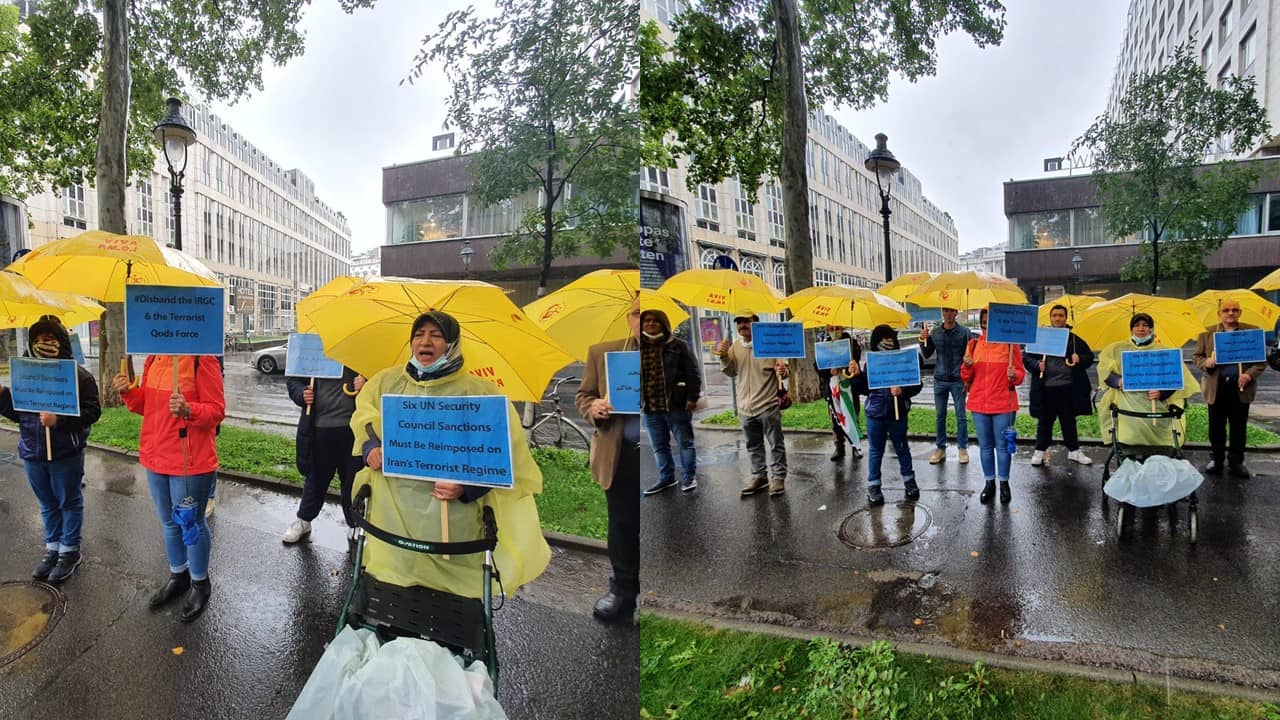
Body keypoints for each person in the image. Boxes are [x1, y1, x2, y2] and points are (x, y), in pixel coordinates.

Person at [351, 311, 549, 599]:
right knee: (397, 583)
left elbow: (501, 455)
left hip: (453, 518)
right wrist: (371, 448)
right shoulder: (385, 382)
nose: (425, 341)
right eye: (419, 334)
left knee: (447, 595)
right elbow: (364, 416)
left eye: (436, 335)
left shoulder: (479, 391)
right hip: (394, 511)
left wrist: (469, 486)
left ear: (452, 344)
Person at [113, 352, 225, 622]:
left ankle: (200, 583)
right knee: (168, 523)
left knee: (191, 524)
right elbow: (147, 406)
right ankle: (179, 575)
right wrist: (129, 392)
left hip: (191, 460)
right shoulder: (154, 359)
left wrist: (190, 410)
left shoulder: (202, 359)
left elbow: (217, 410)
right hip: (155, 457)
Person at [0, 317, 101, 584]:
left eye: (51, 338)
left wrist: (60, 421)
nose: (45, 343)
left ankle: (70, 551)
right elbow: (17, 413)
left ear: (62, 342)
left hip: (65, 453)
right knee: (47, 504)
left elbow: (93, 412)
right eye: (40, 339)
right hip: (33, 452)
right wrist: (2, 396)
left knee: (69, 502)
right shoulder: (23, 375)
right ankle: (53, 547)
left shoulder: (79, 376)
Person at [577, 300, 641, 622]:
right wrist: (595, 408)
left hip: (661, 452)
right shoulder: (604, 353)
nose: (645, 321)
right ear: (629, 319)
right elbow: (584, 395)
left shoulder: (675, 352)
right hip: (621, 454)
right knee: (623, 524)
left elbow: (692, 390)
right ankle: (623, 591)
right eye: (638, 314)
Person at [283, 367, 367, 544]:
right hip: (319, 428)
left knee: (352, 481)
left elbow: (380, 384)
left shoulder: (361, 350)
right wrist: (302, 394)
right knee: (316, 479)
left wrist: (367, 384)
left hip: (353, 429)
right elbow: (293, 380)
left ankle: (354, 523)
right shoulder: (311, 345)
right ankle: (304, 521)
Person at [1098, 313, 1198, 454]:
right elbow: (1104, 370)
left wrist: (1162, 392)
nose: (1141, 328)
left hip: (1157, 406)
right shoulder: (1116, 349)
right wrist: (1118, 381)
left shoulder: (1164, 351)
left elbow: (1177, 378)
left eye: (1145, 325)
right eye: (1136, 325)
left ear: (1151, 329)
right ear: (1131, 329)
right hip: (1128, 406)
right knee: (1131, 443)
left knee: (1160, 446)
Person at [714, 311, 789, 497]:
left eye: (746, 321)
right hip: (745, 407)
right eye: (739, 322)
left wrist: (782, 370)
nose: (742, 325)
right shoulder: (734, 347)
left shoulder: (770, 344)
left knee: (775, 444)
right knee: (753, 445)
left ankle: (778, 478)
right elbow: (730, 372)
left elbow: (784, 371)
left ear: (756, 323)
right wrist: (723, 356)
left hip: (768, 404)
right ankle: (759, 476)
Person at [846, 324, 922, 505]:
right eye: (883, 343)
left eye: (890, 342)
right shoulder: (871, 364)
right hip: (876, 415)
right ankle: (874, 486)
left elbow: (916, 384)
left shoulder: (902, 361)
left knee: (902, 448)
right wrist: (856, 375)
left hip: (898, 414)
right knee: (875, 451)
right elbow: (863, 389)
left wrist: (902, 390)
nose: (887, 345)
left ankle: (909, 481)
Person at [1192, 300, 1267, 479]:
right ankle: (1217, 459)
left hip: (1240, 386)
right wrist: (1206, 363)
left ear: (1240, 313)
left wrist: (1248, 375)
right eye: (1226, 310)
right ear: (1220, 313)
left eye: (1235, 310)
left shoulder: (1251, 331)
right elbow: (1197, 357)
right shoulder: (1207, 333)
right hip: (1216, 387)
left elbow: (1260, 362)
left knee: (1238, 426)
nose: (1230, 313)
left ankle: (1237, 461)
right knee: (1216, 426)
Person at [961, 308, 1025, 504]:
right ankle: (990, 483)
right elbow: (965, 377)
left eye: (990, 321)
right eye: (983, 322)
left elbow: (1020, 375)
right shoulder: (973, 345)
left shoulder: (1010, 346)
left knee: (1003, 447)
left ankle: (1004, 483)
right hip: (979, 403)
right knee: (986, 447)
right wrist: (967, 365)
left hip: (1003, 403)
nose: (986, 325)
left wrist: (1015, 375)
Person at [640, 308, 702, 495]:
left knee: (685, 443)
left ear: (663, 324)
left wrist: (692, 397)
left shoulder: (678, 345)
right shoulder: (637, 346)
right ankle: (666, 478)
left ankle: (688, 477)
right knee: (659, 446)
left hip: (676, 405)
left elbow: (693, 373)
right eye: (647, 321)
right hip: (650, 407)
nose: (651, 324)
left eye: (655, 321)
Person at [1025, 304, 1095, 467]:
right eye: (1054, 315)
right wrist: (1036, 365)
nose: (1057, 318)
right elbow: (1027, 358)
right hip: (1045, 388)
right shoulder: (1040, 337)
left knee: (1069, 421)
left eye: (1061, 315)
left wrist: (1080, 359)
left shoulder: (1074, 339)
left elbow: (1089, 356)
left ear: (1066, 318)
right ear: (1050, 318)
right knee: (1045, 421)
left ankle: (1074, 451)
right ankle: (1040, 451)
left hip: (1068, 387)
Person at [919, 307, 973, 465]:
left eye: (951, 311)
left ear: (956, 313)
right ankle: (940, 448)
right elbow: (927, 353)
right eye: (946, 311)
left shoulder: (965, 332)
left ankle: (962, 448)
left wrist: (968, 378)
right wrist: (923, 340)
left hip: (958, 380)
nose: (948, 314)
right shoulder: (935, 332)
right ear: (942, 313)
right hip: (940, 379)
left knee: (961, 416)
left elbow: (971, 356)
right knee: (940, 416)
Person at [817, 325, 863, 462]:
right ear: (827, 329)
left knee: (852, 416)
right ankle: (839, 447)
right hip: (832, 389)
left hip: (849, 388)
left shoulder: (851, 343)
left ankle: (855, 445)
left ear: (842, 328)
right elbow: (818, 367)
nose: (835, 331)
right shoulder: (823, 346)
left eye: (837, 328)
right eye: (831, 328)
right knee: (836, 419)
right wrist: (828, 371)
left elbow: (857, 358)